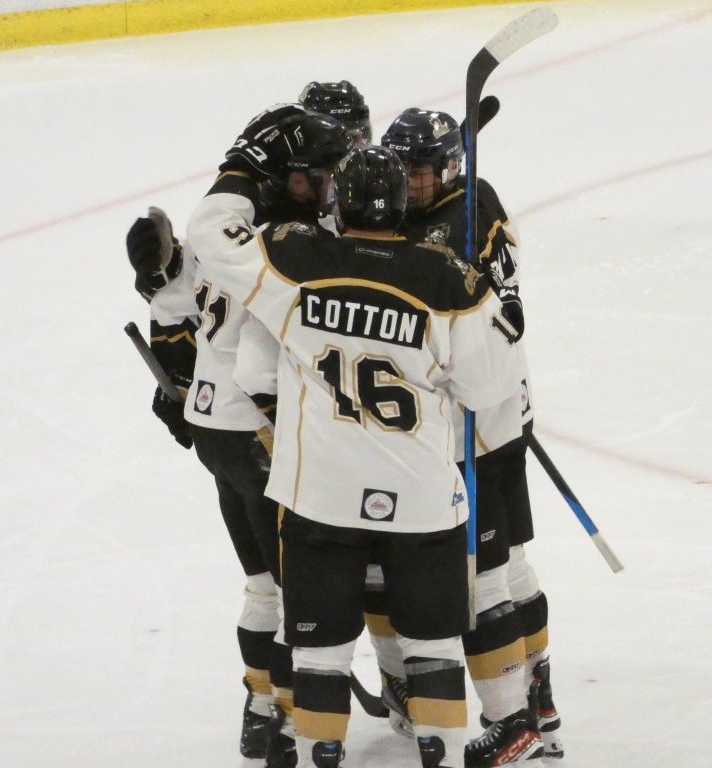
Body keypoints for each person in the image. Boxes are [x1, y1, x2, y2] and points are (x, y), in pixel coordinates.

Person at [186, 138, 522, 768]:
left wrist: (243, 165)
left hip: (322, 496)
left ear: (338, 203)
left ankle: (319, 751)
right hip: (422, 501)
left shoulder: (292, 259)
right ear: (402, 206)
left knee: (320, 653)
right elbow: (488, 387)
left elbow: (211, 241)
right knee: (434, 649)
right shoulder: (447, 278)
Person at [124, 103, 353, 764]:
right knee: (300, 590)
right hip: (256, 431)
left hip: (216, 428)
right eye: (313, 176)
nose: (325, 187)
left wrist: (177, 372)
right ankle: (285, 722)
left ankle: (259, 711)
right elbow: (260, 359)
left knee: (264, 585)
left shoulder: (234, 232)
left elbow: (175, 305)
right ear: (279, 176)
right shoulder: (277, 241)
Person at [379, 108, 563, 765]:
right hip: (503, 404)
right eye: (402, 170)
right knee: (509, 563)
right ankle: (538, 699)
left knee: (483, 576)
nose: (409, 182)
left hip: (475, 421)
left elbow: (435, 289)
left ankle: (512, 721)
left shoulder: (456, 218)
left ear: (449, 168)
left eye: (421, 172)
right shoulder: (468, 199)